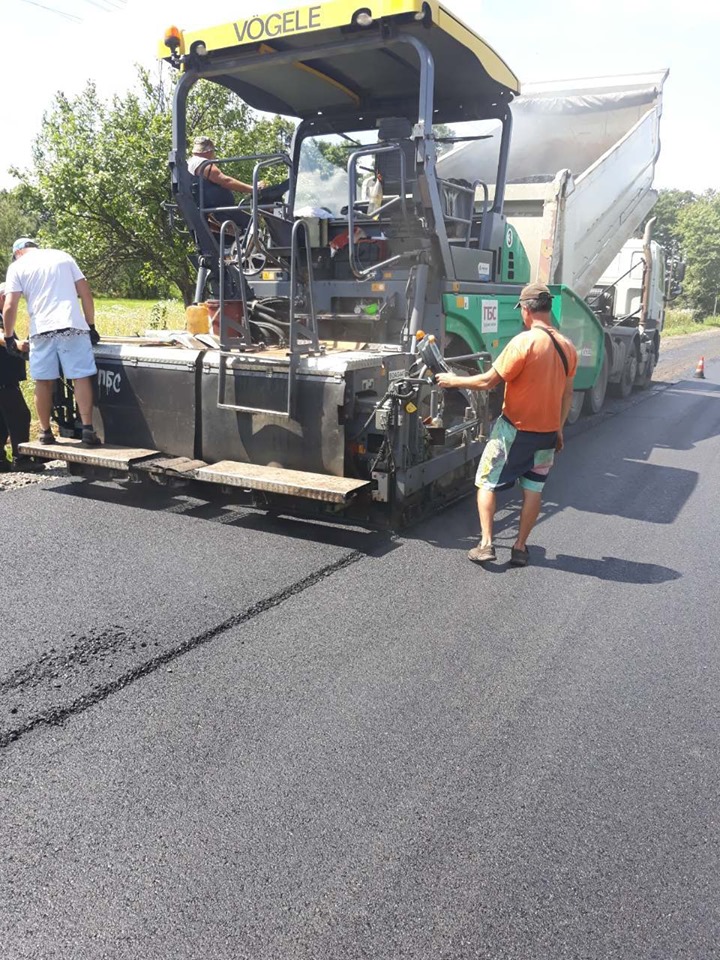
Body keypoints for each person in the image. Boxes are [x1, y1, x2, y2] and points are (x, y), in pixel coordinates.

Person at [437, 281, 578, 567]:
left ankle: (487, 545)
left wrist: (453, 381)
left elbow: (489, 380)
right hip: (547, 434)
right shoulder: (567, 347)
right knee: (534, 489)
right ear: (548, 309)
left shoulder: (523, 342)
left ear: (526, 310)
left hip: (514, 431)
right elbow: (567, 394)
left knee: (486, 482)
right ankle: (520, 547)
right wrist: (560, 429)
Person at [2, 238, 102, 447]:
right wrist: (90, 325)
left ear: (18, 252)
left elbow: (10, 305)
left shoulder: (17, 266)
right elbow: (85, 293)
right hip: (72, 325)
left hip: (41, 330)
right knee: (80, 376)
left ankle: (45, 432)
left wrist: (10, 337)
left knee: (43, 381)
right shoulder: (63, 256)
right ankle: (87, 430)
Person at [0, 282, 34, 471]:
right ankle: (21, 459)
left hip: (5, 380)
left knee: (3, 421)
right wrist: (17, 344)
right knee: (20, 416)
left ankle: (1, 461)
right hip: (4, 381)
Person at [188, 136, 266, 210]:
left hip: (213, 209)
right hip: (217, 211)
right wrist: (253, 189)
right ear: (209, 151)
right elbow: (225, 181)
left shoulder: (191, 162)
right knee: (251, 222)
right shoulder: (201, 163)